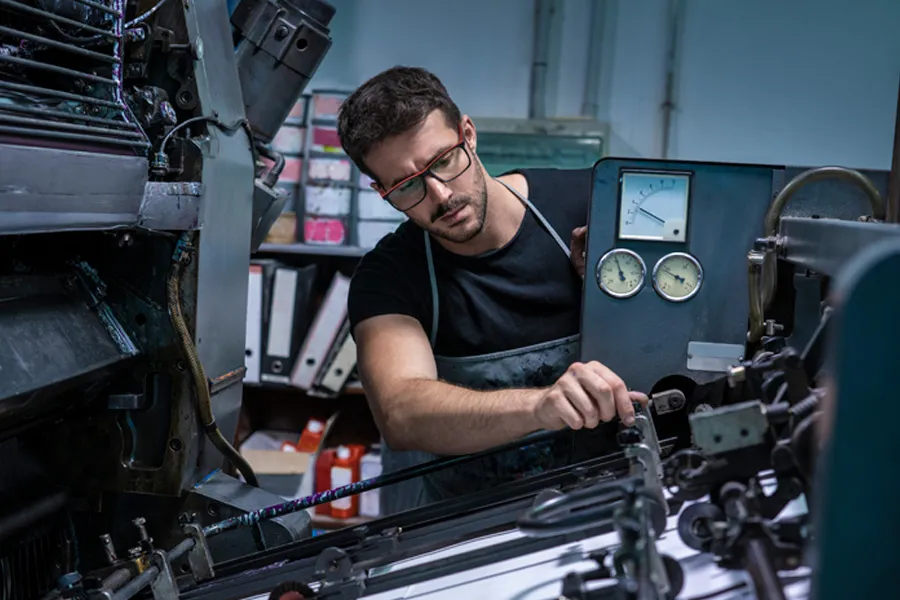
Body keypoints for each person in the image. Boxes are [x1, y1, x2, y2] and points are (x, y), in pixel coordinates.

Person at [337, 66, 646, 513]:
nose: (440, 196)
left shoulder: (593, 204)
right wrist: (540, 406)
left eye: (443, 161)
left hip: (618, 503)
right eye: (407, 187)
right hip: (474, 529)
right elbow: (401, 411)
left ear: (468, 133)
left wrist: (612, 296)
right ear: (381, 191)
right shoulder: (389, 275)